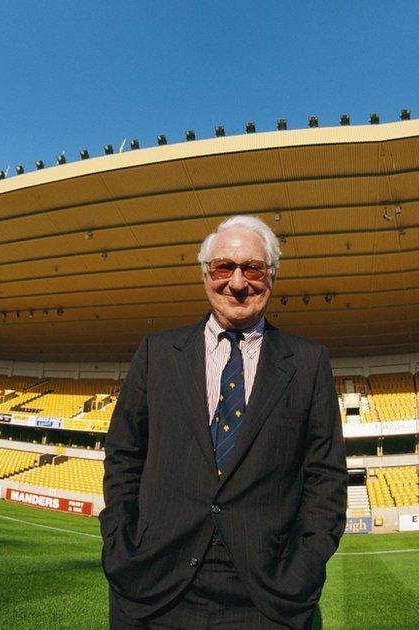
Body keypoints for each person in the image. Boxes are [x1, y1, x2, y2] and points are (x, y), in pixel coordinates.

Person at [101, 215, 348, 629]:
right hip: (153, 586)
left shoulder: (307, 363)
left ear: (272, 276)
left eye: (252, 268)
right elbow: (124, 455)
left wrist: (302, 568)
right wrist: (119, 544)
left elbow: (326, 476)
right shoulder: (157, 353)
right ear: (205, 274)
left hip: (266, 597)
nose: (237, 282)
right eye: (223, 268)